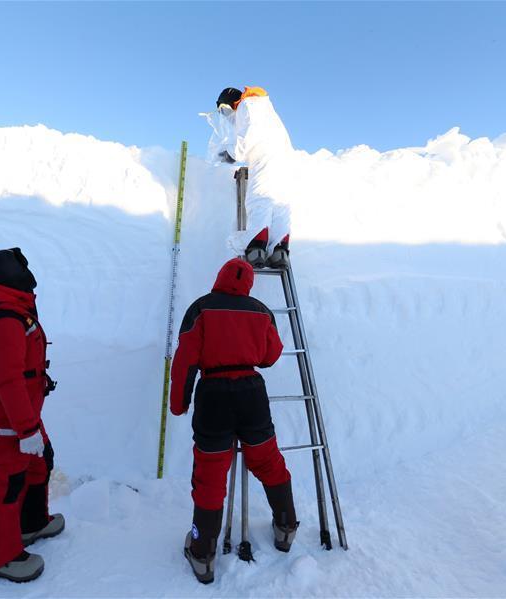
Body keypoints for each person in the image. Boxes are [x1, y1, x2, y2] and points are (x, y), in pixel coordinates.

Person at [169, 258, 300, 584]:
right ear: (247, 284)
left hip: (213, 396)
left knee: (210, 477)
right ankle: (286, 528)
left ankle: (202, 554)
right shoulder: (261, 311)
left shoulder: (201, 308)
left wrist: (179, 403)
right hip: (251, 395)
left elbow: (185, 361)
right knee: (269, 461)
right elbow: (271, 355)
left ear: (219, 278)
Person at [0, 247, 63, 583]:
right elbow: (6, 380)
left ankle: (31, 523)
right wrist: (25, 430)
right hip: (11, 415)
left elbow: (19, 368)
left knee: (40, 461)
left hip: (24, 409)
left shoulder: (12, 309)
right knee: (9, 481)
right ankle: (0, 556)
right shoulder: (5, 320)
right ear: (11, 278)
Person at [208, 86, 296, 269]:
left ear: (232, 101)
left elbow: (249, 134)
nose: (227, 115)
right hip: (284, 159)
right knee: (280, 204)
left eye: (225, 110)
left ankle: (256, 245)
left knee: (260, 197)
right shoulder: (264, 108)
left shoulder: (248, 105)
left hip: (265, 158)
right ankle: (279, 248)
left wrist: (231, 153)